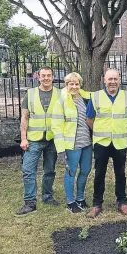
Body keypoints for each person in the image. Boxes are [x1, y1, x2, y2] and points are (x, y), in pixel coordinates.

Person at [85, 68, 127, 217]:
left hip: (119, 141)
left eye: (115, 79)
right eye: (109, 79)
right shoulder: (96, 97)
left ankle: (122, 202)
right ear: (104, 80)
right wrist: (100, 131)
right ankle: (97, 204)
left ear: (119, 80)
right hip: (102, 142)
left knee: (121, 173)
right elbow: (89, 119)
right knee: (99, 173)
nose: (112, 82)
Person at [16, 66, 60, 216]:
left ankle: (47, 197)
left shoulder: (60, 94)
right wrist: (23, 138)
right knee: (28, 171)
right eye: (43, 75)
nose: (46, 78)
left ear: (53, 77)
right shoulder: (30, 94)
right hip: (33, 140)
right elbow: (24, 117)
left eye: (49, 75)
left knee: (49, 170)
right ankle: (30, 202)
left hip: (52, 139)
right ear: (38, 77)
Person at [51, 72, 92, 214]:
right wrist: (61, 149)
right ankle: (70, 202)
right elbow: (56, 126)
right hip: (71, 145)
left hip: (86, 142)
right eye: (71, 84)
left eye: (76, 84)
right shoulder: (61, 102)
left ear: (80, 85)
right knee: (71, 172)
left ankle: (80, 198)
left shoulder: (85, 98)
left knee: (85, 170)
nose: (74, 86)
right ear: (66, 85)